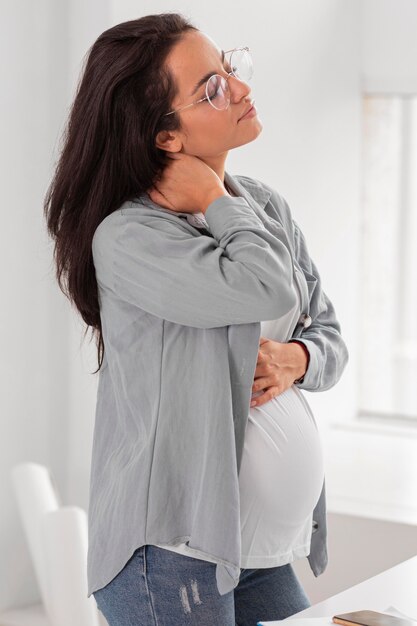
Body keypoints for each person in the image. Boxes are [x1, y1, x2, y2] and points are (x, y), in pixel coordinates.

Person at [43, 12, 349, 626]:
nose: (239, 88)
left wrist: (300, 359)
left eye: (228, 68)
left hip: (251, 552)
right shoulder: (129, 237)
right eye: (211, 86)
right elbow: (264, 286)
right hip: (172, 554)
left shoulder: (262, 205)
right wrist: (213, 198)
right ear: (166, 139)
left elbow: (332, 338)